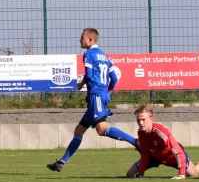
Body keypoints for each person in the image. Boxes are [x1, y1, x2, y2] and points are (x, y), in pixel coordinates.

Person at [47, 28, 139, 172]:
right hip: (100, 95)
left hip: (95, 94)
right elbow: (114, 77)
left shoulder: (89, 54)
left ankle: (136, 142)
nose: (79, 39)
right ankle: (61, 162)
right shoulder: (103, 56)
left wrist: (82, 84)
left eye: (82, 37)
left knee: (101, 129)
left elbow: (89, 75)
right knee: (79, 130)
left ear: (90, 40)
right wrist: (108, 92)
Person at [127, 104, 199, 179]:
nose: (141, 123)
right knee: (130, 174)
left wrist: (181, 174)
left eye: (143, 120)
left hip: (172, 157)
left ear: (151, 119)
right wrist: (140, 172)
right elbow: (145, 153)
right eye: (139, 120)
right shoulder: (141, 132)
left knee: (194, 173)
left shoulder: (160, 132)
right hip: (155, 158)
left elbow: (178, 151)